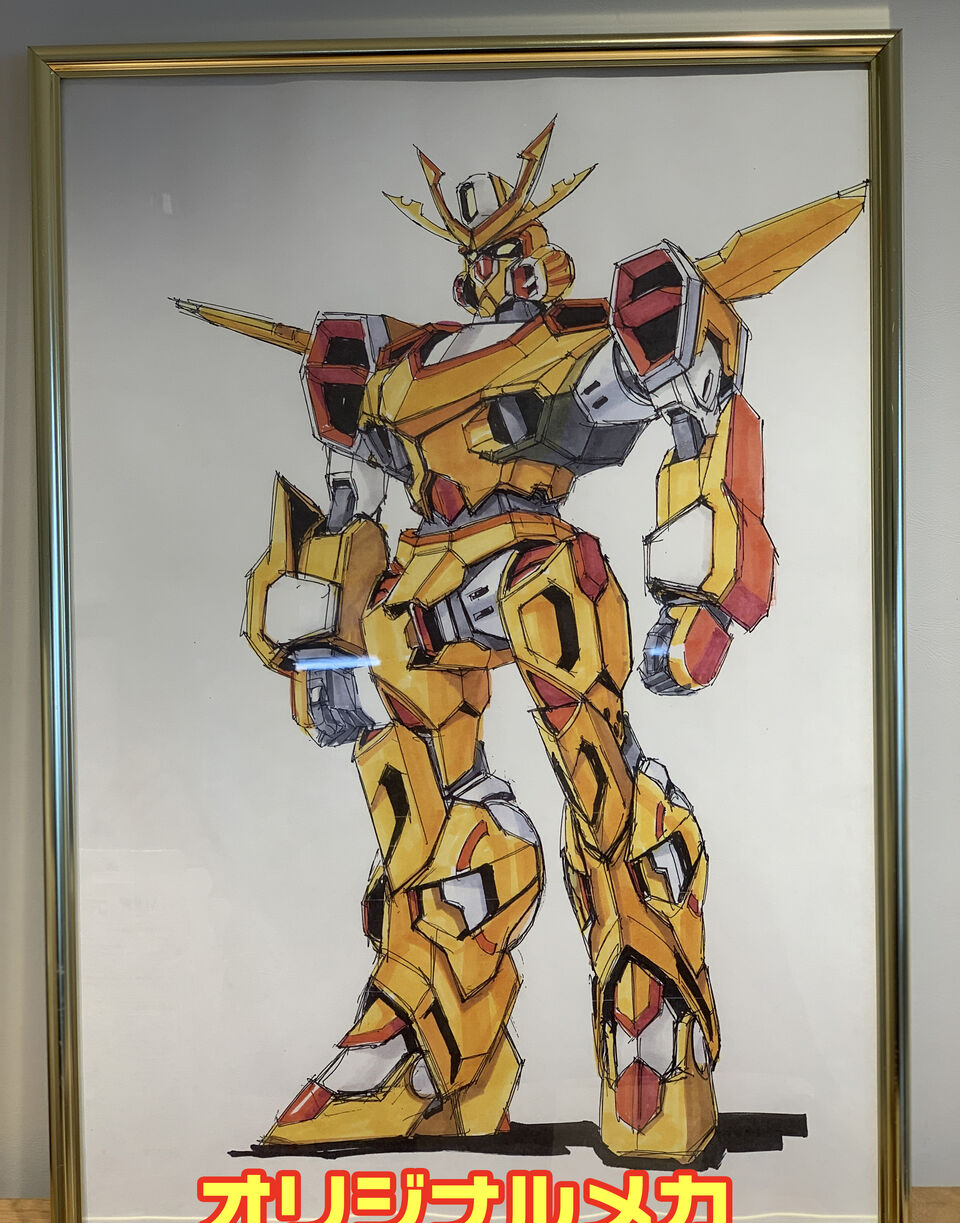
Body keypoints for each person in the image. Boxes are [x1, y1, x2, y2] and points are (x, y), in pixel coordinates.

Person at [175, 121, 863, 1162]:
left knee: (607, 795)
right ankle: (428, 1047)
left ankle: (651, 1033)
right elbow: (349, 500)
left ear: (543, 252)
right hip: (422, 578)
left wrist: (702, 590)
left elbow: (699, 408)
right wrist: (324, 641)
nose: (493, 267)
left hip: (534, 564)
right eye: (478, 253)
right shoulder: (384, 364)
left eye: (512, 246)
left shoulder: (586, 340)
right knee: (423, 820)